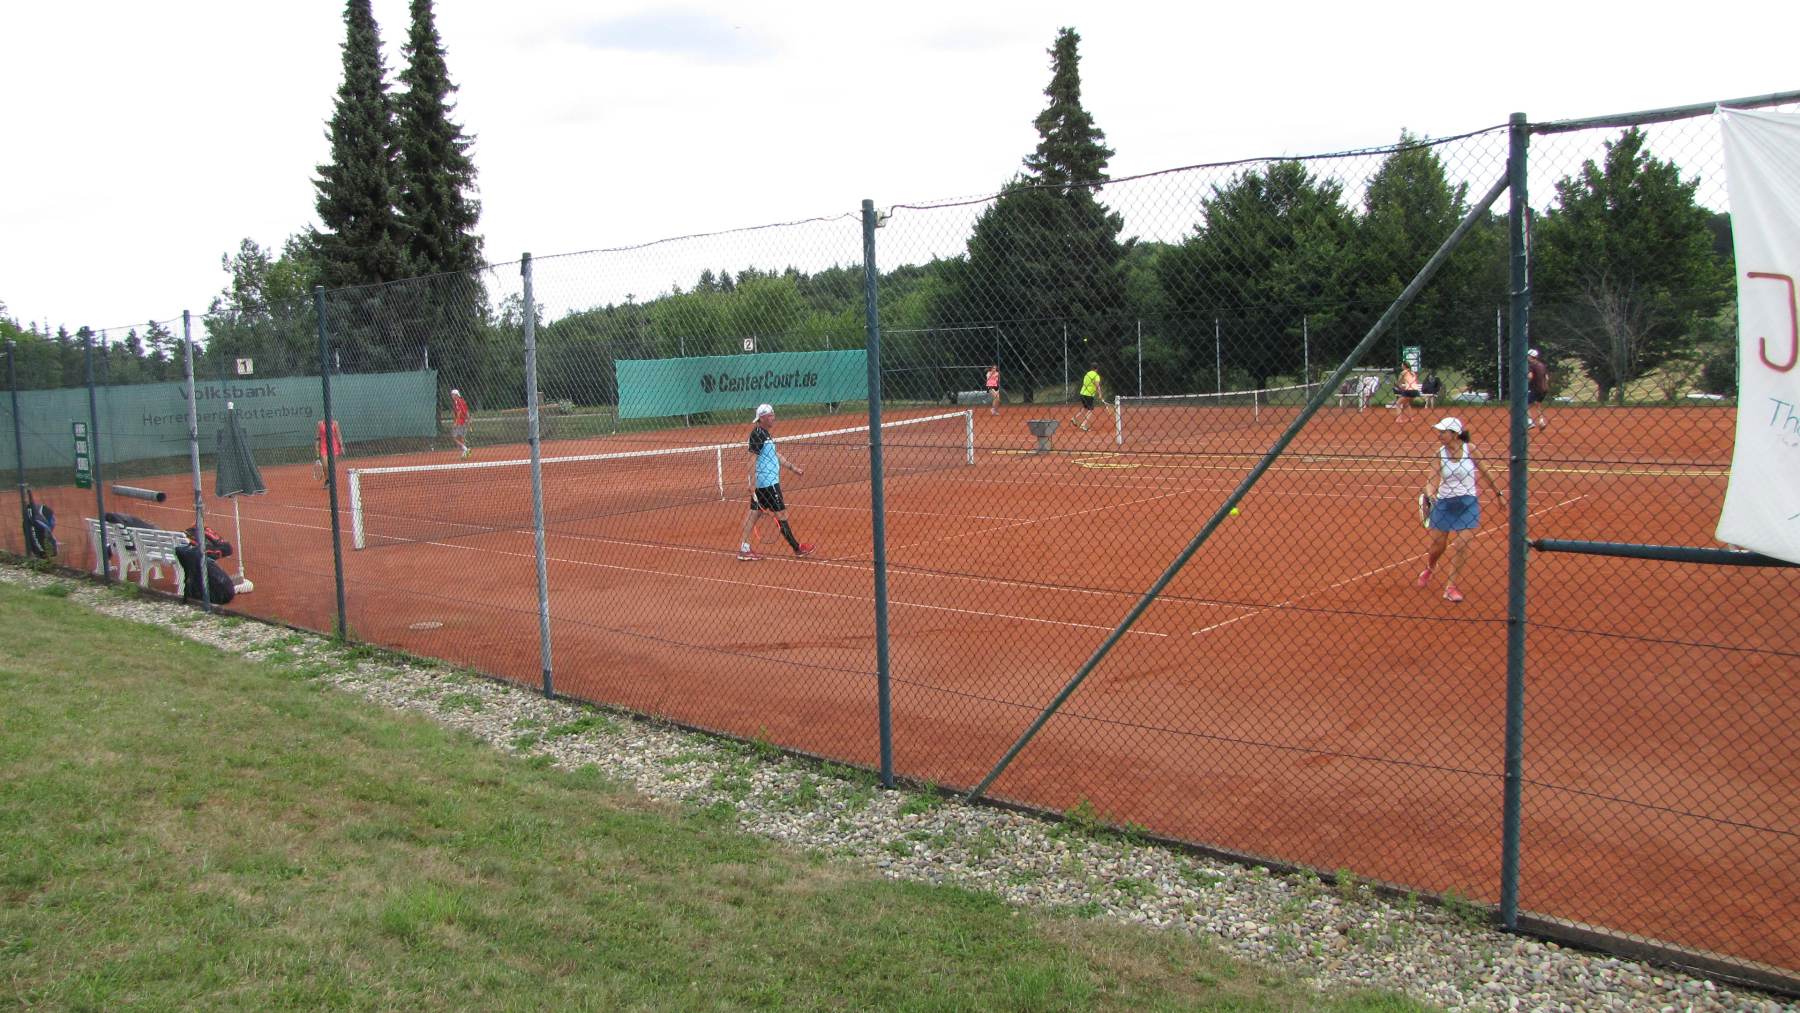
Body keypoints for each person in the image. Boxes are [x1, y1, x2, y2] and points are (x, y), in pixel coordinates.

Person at [1417, 416, 1506, 604]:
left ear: (1455, 434)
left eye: (1443, 432)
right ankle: (1431, 567)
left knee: (1462, 543)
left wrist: (1499, 494)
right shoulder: (1439, 454)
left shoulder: (1470, 449)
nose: (1439, 435)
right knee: (1438, 546)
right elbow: (1432, 479)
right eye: (1439, 431)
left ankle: (1450, 587)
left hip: (1468, 503)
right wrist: (1430, 493)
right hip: (1445, 503)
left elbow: (1485, 472)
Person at [737, 403, 815, 561]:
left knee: (753, 514)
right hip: (768, 483)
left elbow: (775, 455)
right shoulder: (758, 434)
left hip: (765, 483)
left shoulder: (764, 433)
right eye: (771, 415)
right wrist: (751, 483)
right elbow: (751, 459)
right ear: (762, 418)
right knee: (781, 514)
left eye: (773, 414)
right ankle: (797, 548)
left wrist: (793, 468)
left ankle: (744, 549)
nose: (774, 418)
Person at [176, 526, 237, 605]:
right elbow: (227, 549)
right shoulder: (200, 531)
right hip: (193, 556)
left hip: (172, 555)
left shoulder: (184, 533)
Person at [1070, 363, 1103, 432]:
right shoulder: (1096, 375)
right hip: (1089, 395)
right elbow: (1097, 385)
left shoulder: (1087, 374)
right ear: (1097, 368)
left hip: (1082, 393)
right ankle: (1083, 425)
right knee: (1091, 410)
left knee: (1085, 408)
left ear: (1091, 368)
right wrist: (1100, 394)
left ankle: (1074, 418)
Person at [315, 418, 343, 486]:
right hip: (323, 447)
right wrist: (317, 446)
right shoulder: (320, 424)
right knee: (325, 465)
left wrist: (341, 446)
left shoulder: (335, 423)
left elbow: (339, 435)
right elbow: (318, 437)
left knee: (331, 465)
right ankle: (327, 480)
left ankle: (331, 481)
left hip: (334, 447)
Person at [1526, 349, 1550, 430]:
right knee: (1538, 404)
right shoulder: (1542, 365)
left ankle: (1530, 422)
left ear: (1530, 356)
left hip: (1536, 389)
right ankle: (1541, 421)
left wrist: (1526, 383)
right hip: (1544, 388)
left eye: (1528, 355)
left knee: (1524, 405)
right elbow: (1547, 377)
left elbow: (1530, 376)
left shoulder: (1531, 365)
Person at [450, 387, 471, 458]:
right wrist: (468, 420)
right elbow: (467, 411)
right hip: (463, 421)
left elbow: (459, 412)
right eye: (452, 395)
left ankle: (466, 449)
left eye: (453, 395)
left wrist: (456, 422)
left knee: (454, 437)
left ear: (456, 395)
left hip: (460, 422)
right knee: (461, 437)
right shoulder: (461, 401)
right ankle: (465, 452)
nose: (452, 396)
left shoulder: (458, 402)